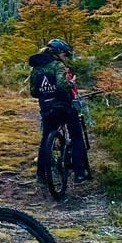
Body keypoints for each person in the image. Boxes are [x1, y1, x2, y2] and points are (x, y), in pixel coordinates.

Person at [29, 39, 89, 183]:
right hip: (64, 107)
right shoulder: (58, 65)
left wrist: (46, 92)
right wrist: (71, 83)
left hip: (46, 108)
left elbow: (33, 92)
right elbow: (63, 85)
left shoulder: (37, 68)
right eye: (64, 54)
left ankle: (41, 175)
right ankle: (79, 173)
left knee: (45, 139)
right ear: (57, 53)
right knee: (76, 136)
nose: (65, 57)